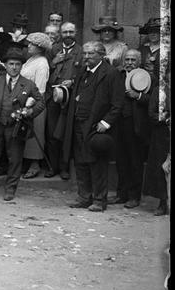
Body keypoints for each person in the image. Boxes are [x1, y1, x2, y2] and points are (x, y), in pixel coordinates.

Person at [0, 44, 45, 201]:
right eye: (11, 64)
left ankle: (10, 188)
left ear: (21, 66)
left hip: (15, 127)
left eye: (18, 64)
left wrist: (30, 112)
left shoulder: (28, 84)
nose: (14, 67)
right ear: (5, 65)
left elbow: (41, 102)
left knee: (15, 158)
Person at [63, 41, 124, 212]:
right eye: (84, 54)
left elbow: (118, 103)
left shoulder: (111, 73)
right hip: (78, 123)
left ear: (101, 55)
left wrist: (106, 122)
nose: (86, 57)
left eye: (91, 54)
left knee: (97, 163)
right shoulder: (83, 72)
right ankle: (84, 197)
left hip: (96, 126)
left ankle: (99, 200)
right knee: (81, 162)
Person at [112, 49, 151, 209]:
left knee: (135, 161)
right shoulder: (117, 75)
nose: (129, 62)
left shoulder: (148, 77)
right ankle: (121, 194)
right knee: (121, 161)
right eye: (127, 59)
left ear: (139, 62)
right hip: (118, 124)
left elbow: (155, 99)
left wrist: (139, 96)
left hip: (136, 126)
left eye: (133, 60)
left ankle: (134, 197)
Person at [44, 21, 82, 179]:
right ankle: (52, 166)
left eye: (71, 32)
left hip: (70, 96)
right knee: (52, 131)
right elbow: (44, 69)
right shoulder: (53, 49)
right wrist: (54, 62)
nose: (68, 35)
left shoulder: (81, 51)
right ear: (61, 33)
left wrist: (72, 81)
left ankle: (64, 167)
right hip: (53, 95)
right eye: (65, 32)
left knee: (66, 132)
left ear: (76, 32)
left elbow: (84, 72)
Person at [20, 32, 52, 179]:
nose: (29, 46)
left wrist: (28, 106)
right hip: (23, 99)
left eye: (32, 44)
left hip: (35, 103)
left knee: (35, 133)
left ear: (40, 47)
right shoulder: (31, 60)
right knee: (25, 133)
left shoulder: (42, 64)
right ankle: (25, 163)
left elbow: (39, 89)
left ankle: (35, 165)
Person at [143, 76, 170, 216]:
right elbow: (152, 113)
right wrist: (164, 117)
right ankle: (162, 202)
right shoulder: (159, 91)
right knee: (161, 168)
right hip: (162, 135)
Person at [139, 17, 161, 85]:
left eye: (156, 31)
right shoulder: (141, 49)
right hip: (142, 83)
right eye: (150, 31)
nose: (153, 34)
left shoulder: (167, 50)